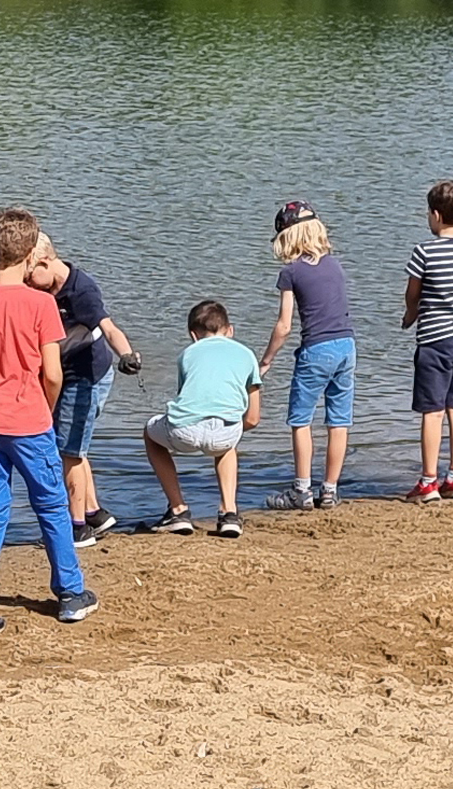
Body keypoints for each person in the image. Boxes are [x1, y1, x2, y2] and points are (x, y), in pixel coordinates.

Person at [0, 206, 91, 639]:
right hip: (28, 421)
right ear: (31, 254)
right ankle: (70, 593)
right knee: (51, 505)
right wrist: (44, 407)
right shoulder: (41, 304)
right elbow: (53, 373)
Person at [31, 241, 141, 541]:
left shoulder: (82, 290)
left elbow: (109, 327)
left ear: (44, 262)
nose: (27, 282)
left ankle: (77, 527)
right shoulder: (41, 288)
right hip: (63, 373)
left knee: (69, 451)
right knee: (74, 447)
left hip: (87, 375)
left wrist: (128, 355)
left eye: (29, 274)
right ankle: (94, 513)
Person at [140, 300, 266, 536]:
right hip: (225, 434)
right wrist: (233, 427)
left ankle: (178, 511)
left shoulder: (187, 354)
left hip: (184, 430)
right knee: (228, 442)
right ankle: (229, 513)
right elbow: (253, 418)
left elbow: (187, 403)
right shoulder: (247, 355)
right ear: (231, 330)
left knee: (150, 433)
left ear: (193, 336)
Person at [261, 202, 353, 510]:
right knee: (338, 422)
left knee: (301, 421)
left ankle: (302, 490)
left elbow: (284, 325)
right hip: (346, 346)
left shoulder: (290, 272)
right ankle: (330, 490)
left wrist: (266, 360)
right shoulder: (335, 265)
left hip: (316, 350)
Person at [398, 179, 453, 503]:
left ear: (435, 215)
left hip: (434, 341)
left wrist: (410, 314)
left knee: (432, 412)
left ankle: (428, 480)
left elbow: (413, 293)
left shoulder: (424, 251)